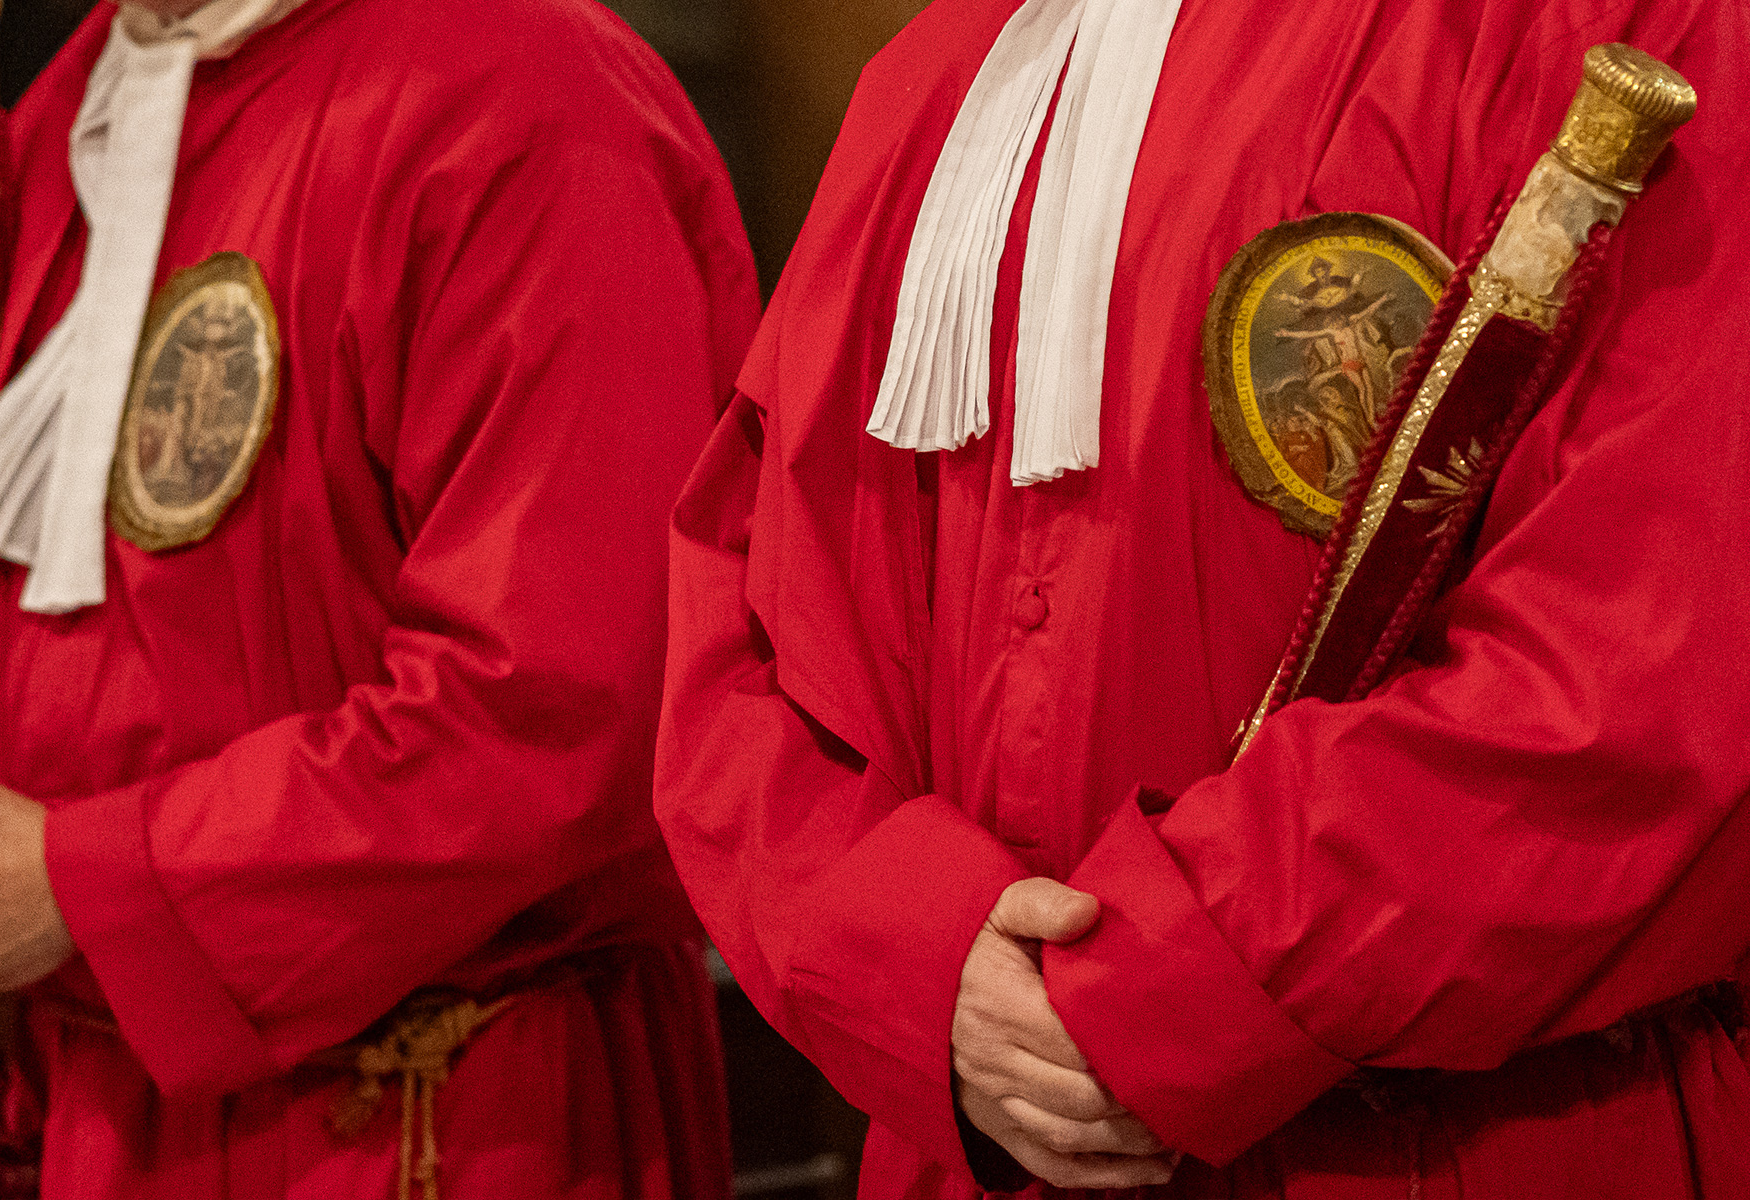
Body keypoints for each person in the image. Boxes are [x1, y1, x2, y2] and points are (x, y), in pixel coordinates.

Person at [652, 0, 1750, 1196]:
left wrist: (1153, 995)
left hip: (1451, 1135)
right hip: (996, 1131)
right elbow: (747, 631)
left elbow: (1644, 667)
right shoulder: (939, 73)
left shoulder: (1604, 26)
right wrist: (914, 953)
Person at [0, 0, 759, 1196]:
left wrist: (81, 886)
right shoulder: (76, 101)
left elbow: (553, 709)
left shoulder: (530, 98)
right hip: (95, 1092)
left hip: (435, 1102)